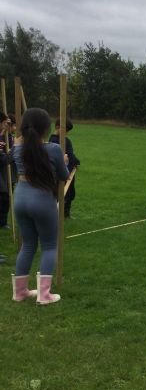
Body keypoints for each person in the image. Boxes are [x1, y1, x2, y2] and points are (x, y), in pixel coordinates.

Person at [10, 108, 69, 305]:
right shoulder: (54, 149)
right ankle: (44, 295)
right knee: (49, 245)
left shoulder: (18, 147)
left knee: (27, 245)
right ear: (45, 128)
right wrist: (64, 162)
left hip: (20, 198)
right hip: (42, 199)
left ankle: (20, 292)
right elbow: (63, 175)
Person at [49, 118, 80, 218]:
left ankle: (66, 214)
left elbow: (71, 155)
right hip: (59, 173)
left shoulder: (67, 141)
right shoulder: (53, 141)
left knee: (70, 193)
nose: (67, 133)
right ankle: (57, 214)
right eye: (66, 130)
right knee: (59, 194)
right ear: (58, 127)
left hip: (69, 171)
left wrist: (76, 161)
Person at [0, 113, 12, 229]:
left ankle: (3, 222)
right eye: (5, 123)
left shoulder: (7, 136)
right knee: (3, 195)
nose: (6, 125)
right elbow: (4, 159)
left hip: (4, 171)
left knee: (6, 197)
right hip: (2, 167)